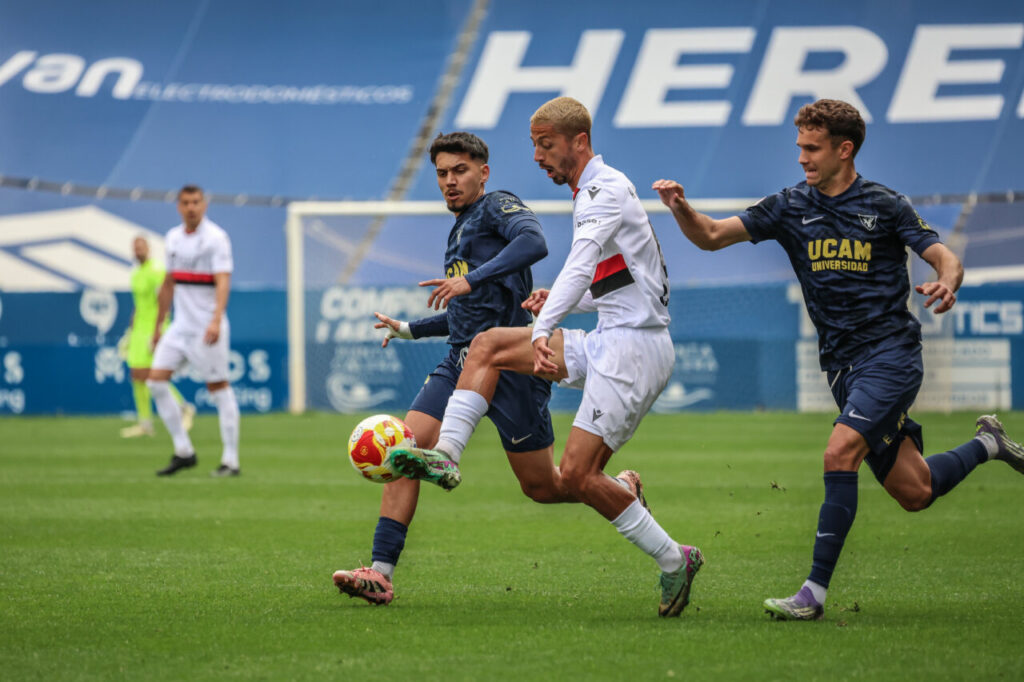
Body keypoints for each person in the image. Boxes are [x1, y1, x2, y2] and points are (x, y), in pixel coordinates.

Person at [653, 98, 1024, 621]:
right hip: (843, 369)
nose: (802, 157)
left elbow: (941, 254)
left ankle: (813, 594)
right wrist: (680, 208)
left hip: (891, 356)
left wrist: (948, 279)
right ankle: (989, 444)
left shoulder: (886, 205)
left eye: (812, 148)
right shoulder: (788, 206)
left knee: (838, 452)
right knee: (915, 490)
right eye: (799, 147)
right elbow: (712, 236)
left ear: (844, 150)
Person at [389, 98, 703, 618]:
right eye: (534, 143)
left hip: (634, 350)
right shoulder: (594, 191)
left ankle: (676, 559)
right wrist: (560, 300)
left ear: (579, 142)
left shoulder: (602, 191)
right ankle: (446, 455)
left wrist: (549, 322)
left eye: (546, 144)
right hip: (611, 335)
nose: (537, 155)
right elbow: (614, 281)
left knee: (577, 478)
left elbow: (581, 266)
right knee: (487, 344)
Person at [333, 132, 650, 606]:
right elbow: (465, 312)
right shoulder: (460, 228)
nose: (449, 181)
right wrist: (409, 329)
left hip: (511, 363)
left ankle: (620, 487)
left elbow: (534, 242)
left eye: (459, 171)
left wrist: (471, 280)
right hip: (461, 361)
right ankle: (380, 573)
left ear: (483, 173)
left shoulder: (498, 206)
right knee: (405, 451)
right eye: (441, 173)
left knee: (545, 487)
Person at [149, 185, 241, 477]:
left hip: (207, 328)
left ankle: (231, 460)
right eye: (186, 202)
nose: (191, 207)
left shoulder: (216, 238)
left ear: (205, 204)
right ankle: (184, 451)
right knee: (156, 382)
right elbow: (168, 283)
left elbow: (223, 281)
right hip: (180, 327)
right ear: (178, 206)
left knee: (218, 389)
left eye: (196, 202)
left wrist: (216, 320)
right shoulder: (173, 238)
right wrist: (158, 324)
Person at [119, 235, 195, 438]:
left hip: (154, 327)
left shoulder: (156, 270)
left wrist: (159, 329)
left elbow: (165, 299)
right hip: (139, 329)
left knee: (152, 375)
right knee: (136, 375)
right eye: (135, 247)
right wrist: (130, 330)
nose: (138, 251)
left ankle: (183, 408)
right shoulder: (136, 273)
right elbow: (138, 303)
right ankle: (145, 423)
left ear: (149, 249)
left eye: (141, 247)